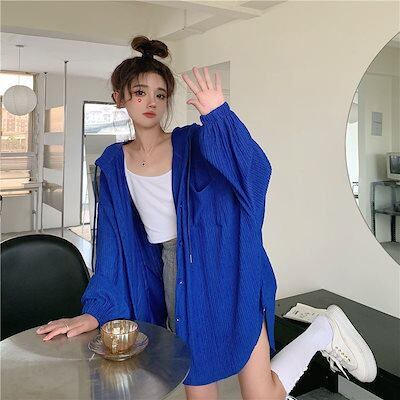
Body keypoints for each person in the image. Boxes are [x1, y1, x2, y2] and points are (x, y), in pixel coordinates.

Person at [36, 35, 377, 400]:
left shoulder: (193, 143)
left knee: (261, 395)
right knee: (198, 391)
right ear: (119, 98)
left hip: (226, 267)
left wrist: (219, 115)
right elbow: (113, 244)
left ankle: (323, 331)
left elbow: (253, 173)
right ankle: (322, 329)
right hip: (175, 274)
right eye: (140, 92)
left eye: (160, 94)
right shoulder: (113, 164)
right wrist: (96, 311)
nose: (151, 102)